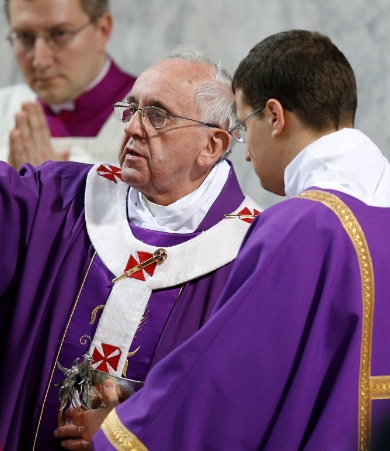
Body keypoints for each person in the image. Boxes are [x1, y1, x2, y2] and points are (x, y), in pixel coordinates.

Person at [0, 47, 261, 451]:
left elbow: (234, 409)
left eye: (157, 115)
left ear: (212, 145)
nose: (133, 128)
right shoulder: (62, 199)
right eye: (131, 109)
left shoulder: (252, 255)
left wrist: (130, 434)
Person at [77, 30, 390, 451]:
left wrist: (122, 429)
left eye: (243, 126)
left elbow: (228, 385)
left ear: (275, 118)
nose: (244, 153)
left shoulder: (301, 228)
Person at [0, 0, 135, 168]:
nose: (40, 61)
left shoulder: (151, 121)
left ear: (102, 30)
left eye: (60, 34)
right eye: (25, 37)